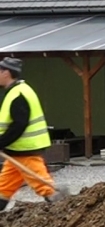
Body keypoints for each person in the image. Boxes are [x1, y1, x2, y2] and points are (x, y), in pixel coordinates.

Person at [0, 57, 66, 207]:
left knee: (44, 186)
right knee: (3, 188)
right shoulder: (18, 91)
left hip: (26, 150)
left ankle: (62, 205)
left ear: (6, 73)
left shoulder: (18, 94)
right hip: (16, 151)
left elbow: (19, 125)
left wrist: (1, 142)